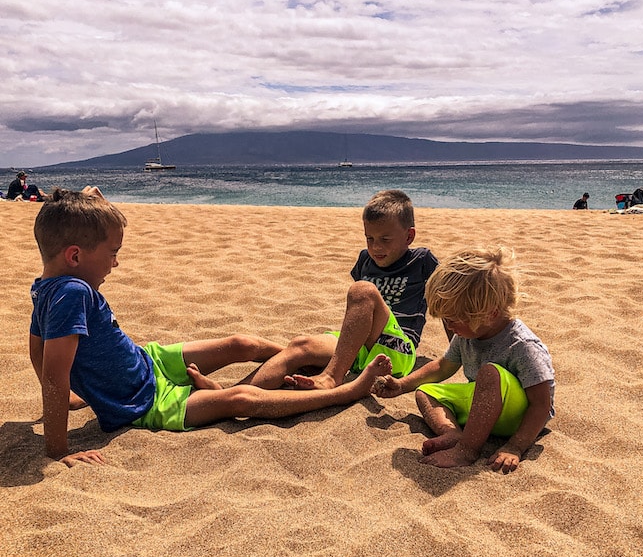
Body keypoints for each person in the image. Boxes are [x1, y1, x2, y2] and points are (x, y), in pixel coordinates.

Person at [29, 189, 392, 467]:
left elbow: (36, 346)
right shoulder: (72, 293)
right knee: (241, 401)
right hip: (146, 403)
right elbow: (53, 372)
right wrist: (58, 450)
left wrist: (77, 396)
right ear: (75, 256)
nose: (117, 262)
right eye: (112, 252)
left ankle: (302, 361)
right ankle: (344, 391)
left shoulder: (47, 286)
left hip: (147, 362)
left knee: (242, 343)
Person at [372, 246, 555, 474]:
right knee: (426, 392)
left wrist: (515, 447)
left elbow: (542, 405)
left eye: (453, 320)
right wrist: (402, 385)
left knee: (490, 373)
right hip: (484, 409)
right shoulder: (468, 334)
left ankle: (466, 450)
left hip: (518, 419)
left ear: (490, 313)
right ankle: (453, 434)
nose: (448, 327)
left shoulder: (522, 345)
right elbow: (442, 367)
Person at [248, 189, 442, 391]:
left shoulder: (421, 260)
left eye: (385, 240)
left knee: (363, 290)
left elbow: (450, 304)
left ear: (409, 236)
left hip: (397, 348)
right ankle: (227, 396)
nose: (375, 247)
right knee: (300, 346)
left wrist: (459, 352)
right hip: (358, 342)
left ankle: (332, 376)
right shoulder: (365, 260)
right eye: (370, 239)